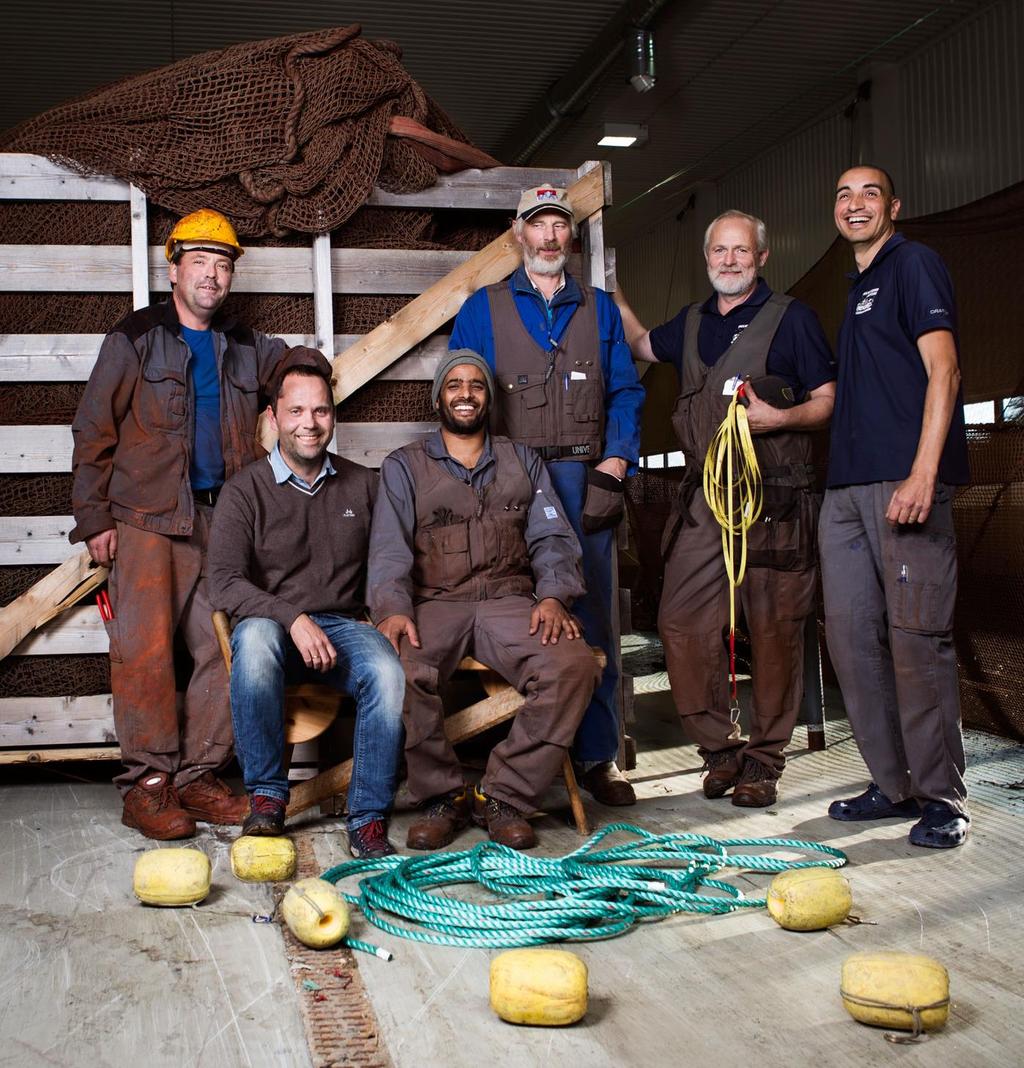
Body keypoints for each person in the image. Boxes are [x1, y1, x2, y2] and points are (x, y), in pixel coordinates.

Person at [70, 209, 290, 839]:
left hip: (222, 518)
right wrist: (93, 518)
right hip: (145, 520)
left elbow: (297, 367)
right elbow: (94, 427)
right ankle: (147, 784)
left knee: (225, 650)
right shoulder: (136, 337)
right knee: (143, 654)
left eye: (223, 264)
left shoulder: (247, 345)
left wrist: (305, 383)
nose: (213, 275)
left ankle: (197, 776)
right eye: (201, 261)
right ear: (174, 269)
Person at [616, 210, 835, 806]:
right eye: (720, 251)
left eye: (742, 251)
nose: (730, 260)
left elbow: (827, 400)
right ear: (707, 257)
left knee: (774, 628)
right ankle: (720, 749)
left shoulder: (794, 321)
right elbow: (639, 342)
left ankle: (764, 760)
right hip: (707, 499)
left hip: (776, 500)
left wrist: (780, 417)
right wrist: (611, 284)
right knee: (681, 621)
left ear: (761, 258)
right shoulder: (689, 324)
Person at [449, 186, 644, 806]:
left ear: (572, 236)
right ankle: (517, 762)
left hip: (585, 481)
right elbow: (465, 396)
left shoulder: (600, 309)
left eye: (560, 224)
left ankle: (594, 761)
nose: (551, 236)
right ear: (519, 234)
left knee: (592, 622)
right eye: (539, 226)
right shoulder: (483, 308)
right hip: (513, 485)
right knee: (514, 616)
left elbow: (627, 392)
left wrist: (614, 465)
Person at [369, 351, 600, 851]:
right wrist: (392, 608)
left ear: (488, 398)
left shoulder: (523, 461)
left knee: (574, 666)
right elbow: (388, 548)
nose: (466, 393)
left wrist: (555, 594)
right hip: (436, 604)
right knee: (398, 671)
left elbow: (552, 536)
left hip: (510, 600)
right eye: (454, 385)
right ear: (438, 398)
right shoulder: (404, 467)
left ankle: (504, 796)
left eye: (475, 385)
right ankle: (440, 798)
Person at [822, 166, 970, 848]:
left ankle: (943, 800)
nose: (855, 205)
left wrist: (923, 472)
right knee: (853, 644)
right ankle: (893, 783)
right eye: (845, 195)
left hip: (901, 487)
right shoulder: (856, 286)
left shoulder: (914, 266)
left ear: (894, 205)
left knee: (917, 646)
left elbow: (945, 370)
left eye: (870, 193)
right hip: (846, 491)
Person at [206, 352, 404, 857]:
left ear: (333, 417)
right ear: (274, 418)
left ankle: (367, 818)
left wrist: (388, 613)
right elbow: (223, 582)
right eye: (296, 411)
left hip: (342, 625)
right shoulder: (244, 491)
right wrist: (290, 617)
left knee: (386, 671)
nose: (309, 424)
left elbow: (390, 561)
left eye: (320, 411)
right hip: (274, 629)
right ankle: (268, 800)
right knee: (251, 640)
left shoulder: (364, 483)